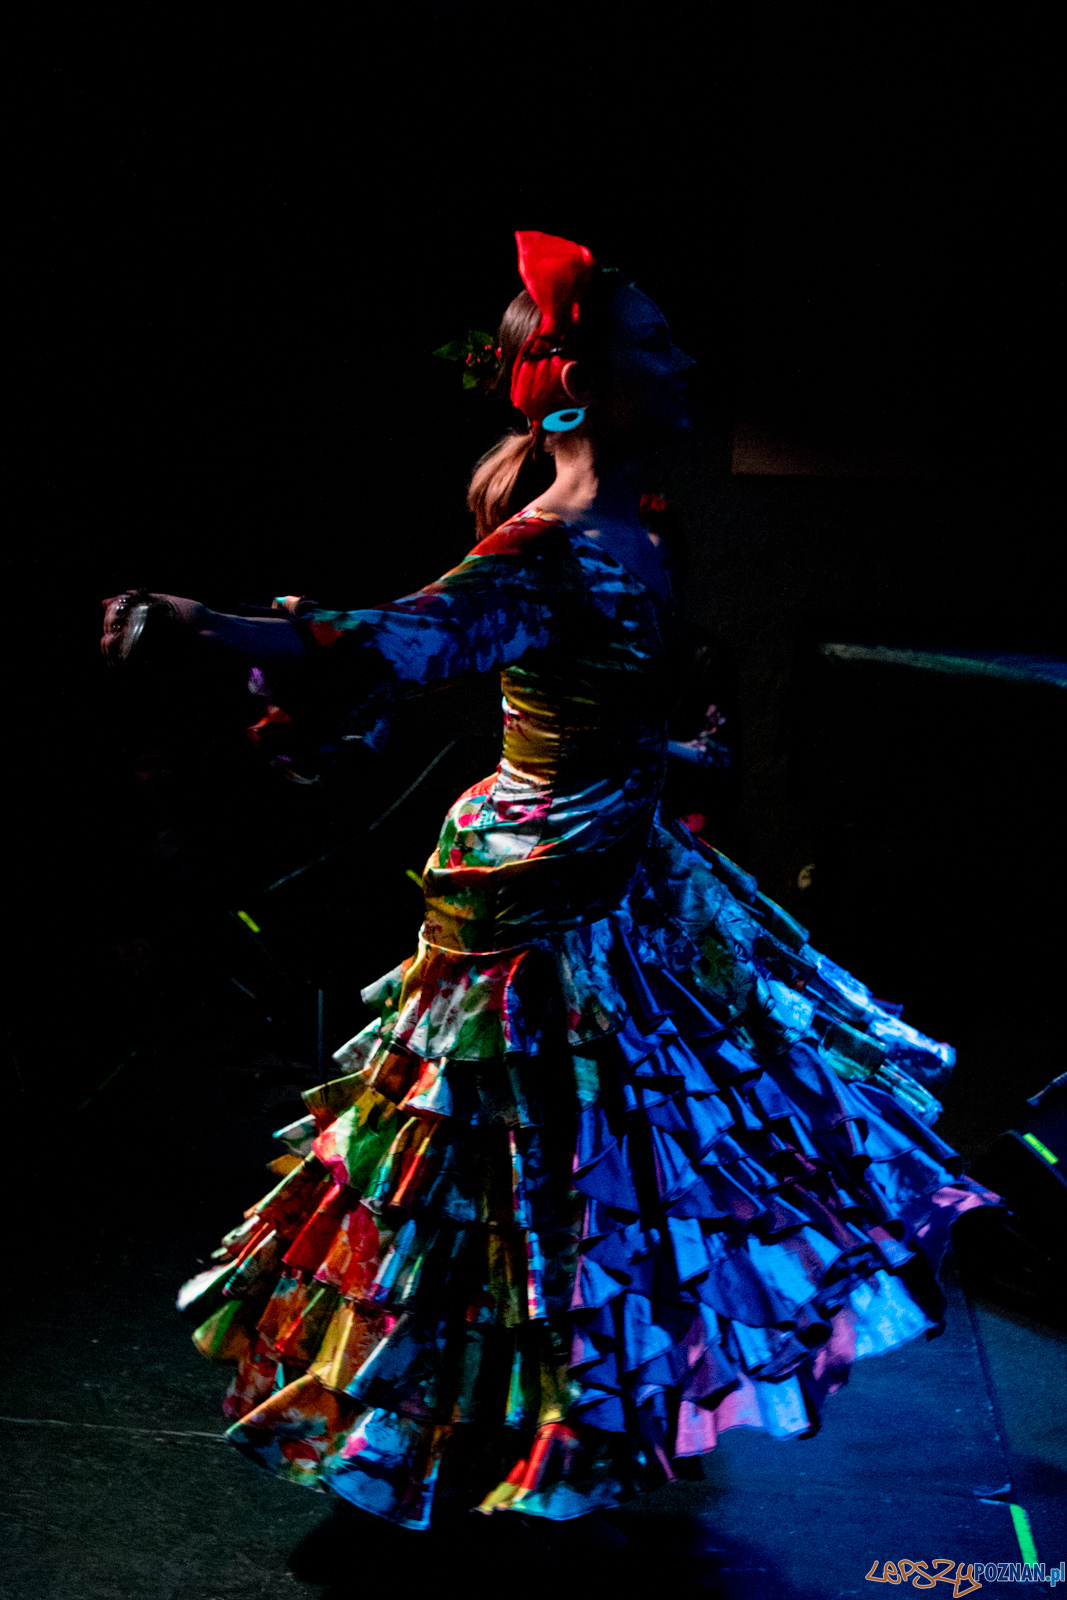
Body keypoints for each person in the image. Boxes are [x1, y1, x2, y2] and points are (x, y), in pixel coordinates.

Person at [102, 231, 996, 1533]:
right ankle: (446, 1432)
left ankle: (563, 1421)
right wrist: (205, 623)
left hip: (623, 877)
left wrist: (671, 754)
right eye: (657, 346)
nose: (686, 364)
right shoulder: (546, 544)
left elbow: (573, 703)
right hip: (535, 904)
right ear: (580, 383)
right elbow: (405, 634)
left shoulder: (642, 531)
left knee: (629, 1162)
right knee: (505, 1180)